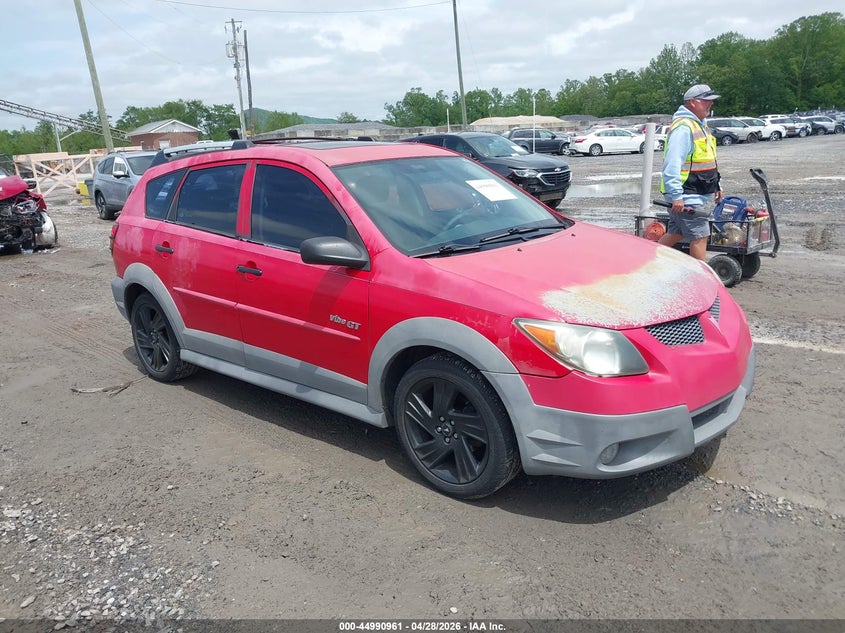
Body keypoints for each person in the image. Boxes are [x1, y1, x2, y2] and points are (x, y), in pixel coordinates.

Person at [658, 84, 724, 260]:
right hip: (687, 195)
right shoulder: (684, 128)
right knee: (700, 236)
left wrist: (717, 185)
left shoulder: (700, 125)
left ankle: (647, 259)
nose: (710, 105)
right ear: (693, 102)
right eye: (706, 101)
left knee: (677, 232)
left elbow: (708, 160)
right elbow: (672, 164)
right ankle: (703, 281)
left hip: (694, 194)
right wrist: (676, 195)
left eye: (711, 101)